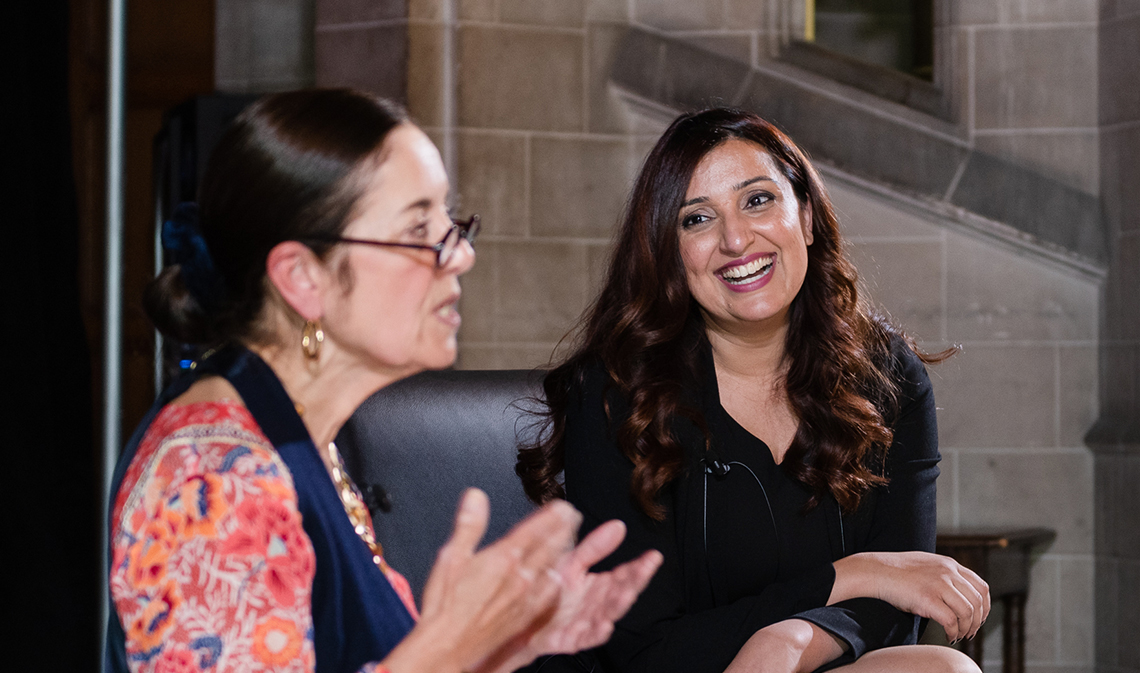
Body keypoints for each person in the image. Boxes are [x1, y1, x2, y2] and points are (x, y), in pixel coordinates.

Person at [106, 89, 662, 673]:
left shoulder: (295, 434)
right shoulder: (214, 478)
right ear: (302, 278)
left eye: (450, 219)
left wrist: (500, 645)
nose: (461, 256)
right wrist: (449, 648)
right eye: (419, 228)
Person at [516, 108, 990, 673]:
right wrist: (851, 576)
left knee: (944, 669)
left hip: (808, 663)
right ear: (670, 254)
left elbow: (902, 605)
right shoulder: (620, 394)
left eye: (758, 200)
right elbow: (642, 651)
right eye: (696, 219)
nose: (736, 238)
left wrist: (792, 641)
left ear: (806, 218)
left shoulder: (887, 375)